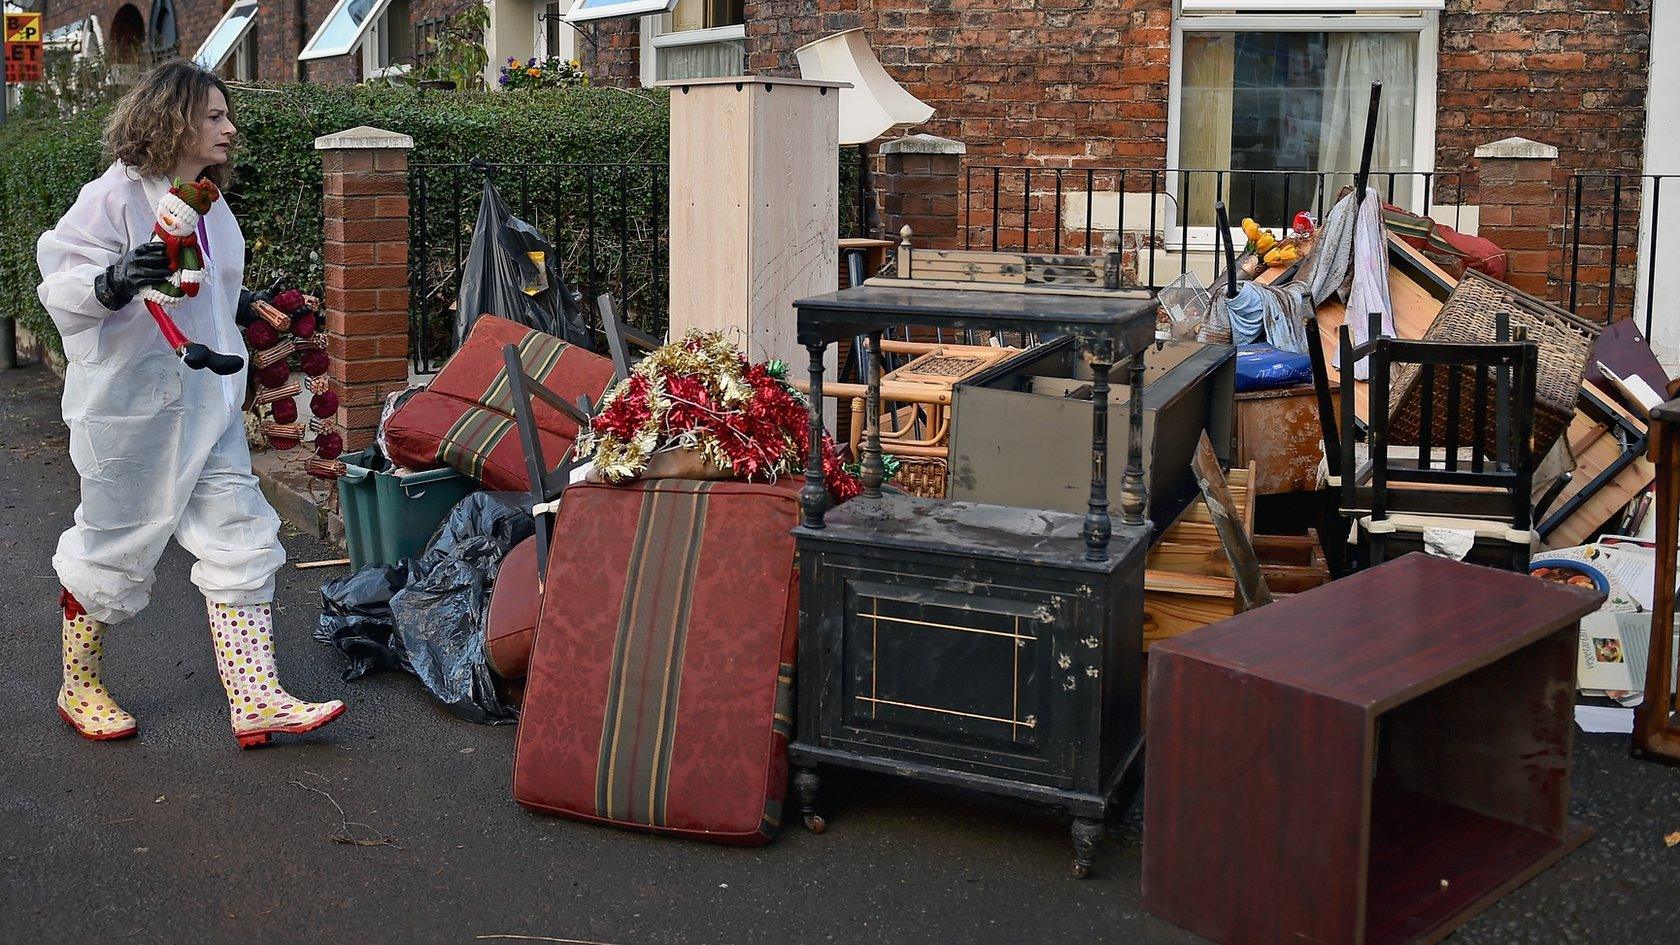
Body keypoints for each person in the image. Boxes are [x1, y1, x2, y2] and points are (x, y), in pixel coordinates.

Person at [37, 59, 344, 749]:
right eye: (215, 116)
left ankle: (257, 696)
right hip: (130, 411)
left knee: (241, 532)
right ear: (173, 119)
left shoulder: (202, 198)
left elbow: (195, 285)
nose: (230, 128)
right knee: (113, 544)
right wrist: (110, 282)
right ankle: (78, 685)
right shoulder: (114, 195)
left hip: (205, 405)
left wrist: (244, 304)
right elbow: (62, 275)